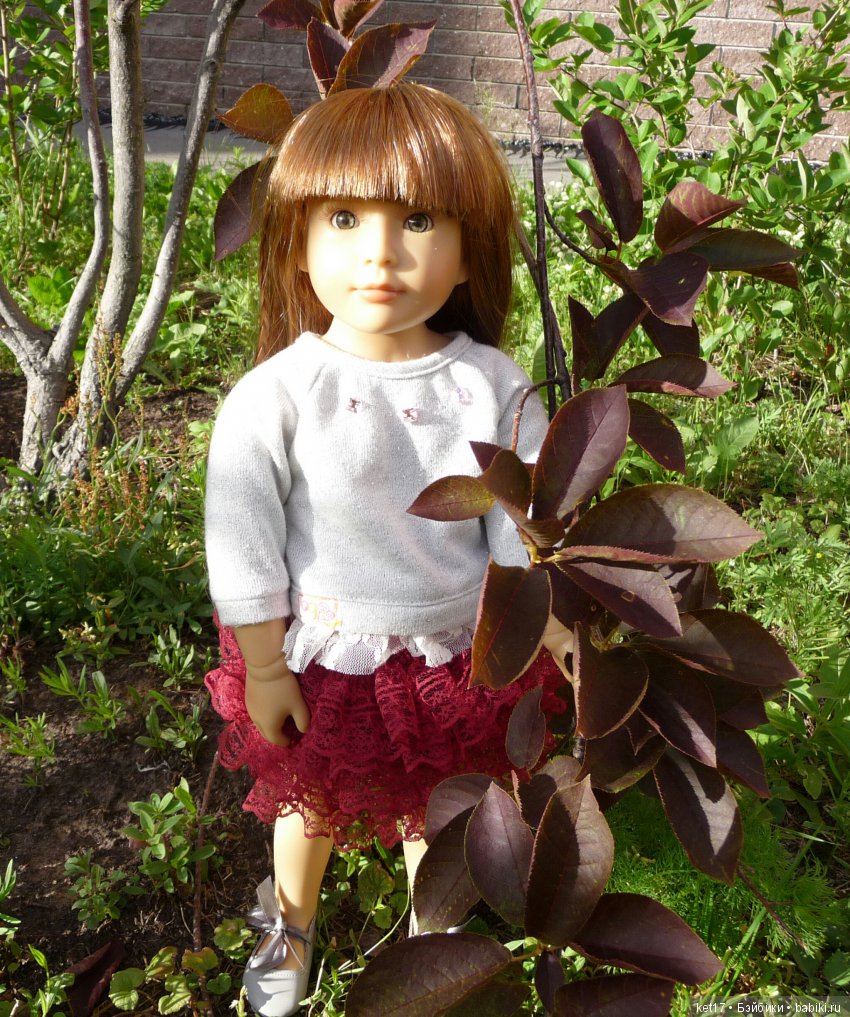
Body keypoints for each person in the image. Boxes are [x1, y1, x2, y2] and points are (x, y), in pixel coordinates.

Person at [203, 82, 569, 1017]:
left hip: (455, 654)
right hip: (328, 654)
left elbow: (519, 522)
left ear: (468, 246)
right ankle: (289, 923)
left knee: (436, 812)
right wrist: (264, 664)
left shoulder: (491, 384)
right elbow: (244, 538)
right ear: (298, 240)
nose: (380, 251)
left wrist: (546, 627)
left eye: (417, 220)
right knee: (307, 805)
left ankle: (431, 943)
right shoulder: (279, 394)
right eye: (343, 218)